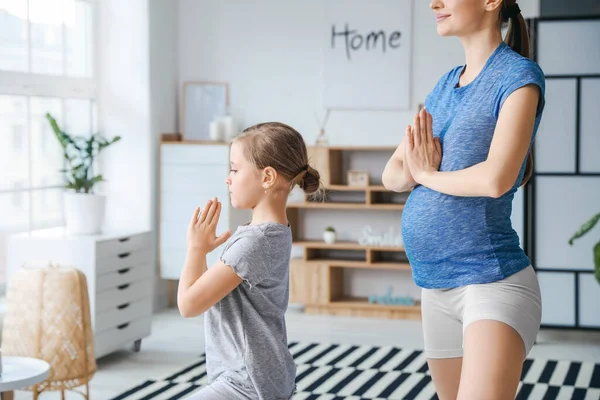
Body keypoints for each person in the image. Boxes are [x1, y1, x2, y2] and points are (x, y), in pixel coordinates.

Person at [382, 0, 545, 399]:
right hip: (435, 288)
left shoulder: (518, 76)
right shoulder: (444, 86)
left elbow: (495, 179)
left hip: (491, 282)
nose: (434, 3)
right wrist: (417, 171)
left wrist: (426, 174)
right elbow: (392, 175)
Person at [177, 122, 322, 400]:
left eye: (234, 168)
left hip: (247, 382)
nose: (228, 178)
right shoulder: (272, 233)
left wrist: (195, 250)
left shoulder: (254, 244)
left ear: (267, 177)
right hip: (260, 377)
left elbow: (188, 304)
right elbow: (207, 293)